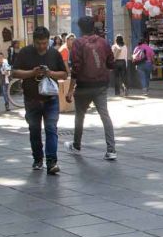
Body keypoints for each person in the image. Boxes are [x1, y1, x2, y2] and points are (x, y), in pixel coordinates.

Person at [12, 27, 68, 174]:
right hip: (32, 99)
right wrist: (32, 72)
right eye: (38, 43)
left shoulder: (54, 53)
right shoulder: (25, 52)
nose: (41, 46)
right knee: (34, 130)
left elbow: (64, 74)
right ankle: (38, 159)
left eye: (44, 43)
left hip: (50, 99)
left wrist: (50, 73)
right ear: (33, 41)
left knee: (51, 128)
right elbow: (14, 72)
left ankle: (51, 161)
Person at [64, 16, 117, 160]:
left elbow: (76, 67)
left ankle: (76, 144)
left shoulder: (78, 43)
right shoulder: (103, 42)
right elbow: (111, 63)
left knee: (80, 116)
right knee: (105, 116)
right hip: (100, 86)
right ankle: (111, 149)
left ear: (80, 28)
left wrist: (70, 90)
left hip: (83, 86)